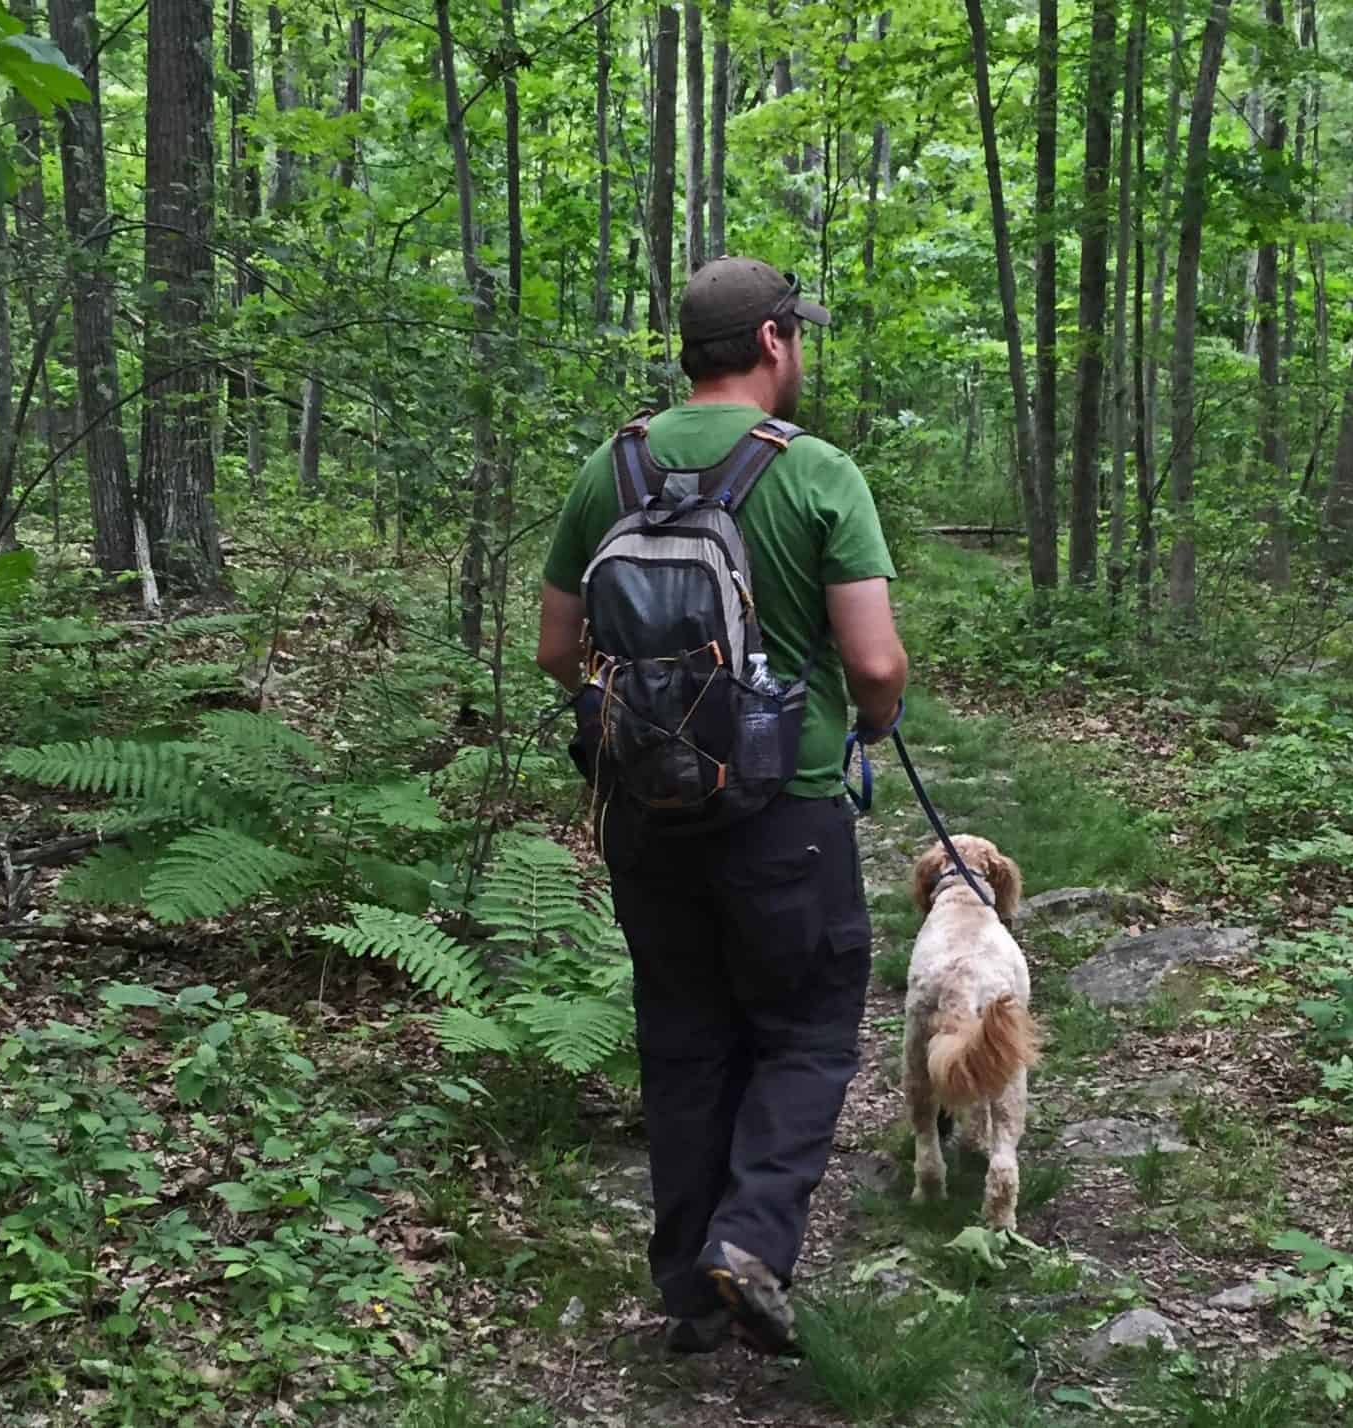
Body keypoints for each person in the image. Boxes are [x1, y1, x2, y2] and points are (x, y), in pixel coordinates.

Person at [534, 256, 908, 1356]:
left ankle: (690, 1295)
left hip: (645, 815)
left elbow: (559, 651)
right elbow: (874, 665)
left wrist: (654, 723)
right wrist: (869, 722)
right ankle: (748, 1240)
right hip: (783, 810)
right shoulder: (817, 473)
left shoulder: (610, 467)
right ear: (776, 341)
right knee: (805, 1027)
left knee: (685, 1036)